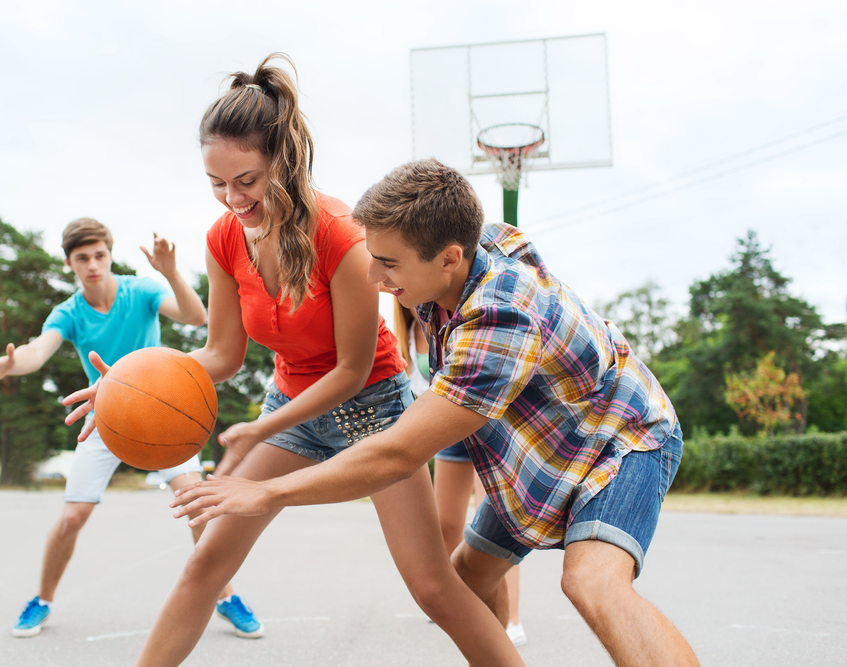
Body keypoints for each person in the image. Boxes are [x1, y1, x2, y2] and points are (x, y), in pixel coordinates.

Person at [64, 55, 521, 666]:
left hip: (375, 411)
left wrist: (261, 427)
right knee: (205, 564)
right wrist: (126, 384)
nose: (232, 199)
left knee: (434, 588)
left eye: (246, 181)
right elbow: (222, 354)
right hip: (290, 408)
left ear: (283, 158)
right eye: (217, 184)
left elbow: (351, 371)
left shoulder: (342, 234)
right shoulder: (223, 237)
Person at [176, 159, 702, 667]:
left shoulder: (498, 321)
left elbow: (398, 452)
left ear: (449, 258)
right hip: (539, 448)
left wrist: (266, 492)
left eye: (389, 264)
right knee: (467, 582)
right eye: (373, 255)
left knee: (590, 582)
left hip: (618, 437)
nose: (375, 277)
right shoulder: (463, 245)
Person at [0, 219, 263, 640]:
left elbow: (196, 317)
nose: (93, 265)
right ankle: (42, 599)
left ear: (109, 254)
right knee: (72, 517)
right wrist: (10, 365)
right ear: (69, 262)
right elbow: (36, 352)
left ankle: (225, 595)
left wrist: (170, 271)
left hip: (163, 415)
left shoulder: (139, 291)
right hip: (104, 418)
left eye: (99, 255)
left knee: (196, 503)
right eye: (82, 258)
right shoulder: (69, 312)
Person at [391, 298, 527, 647]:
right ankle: (463, 599)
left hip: (486, 426)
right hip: (447, 434)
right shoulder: (405, 332)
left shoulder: (453, 315)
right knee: (446, 524)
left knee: (496, 527)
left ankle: (510, 620)